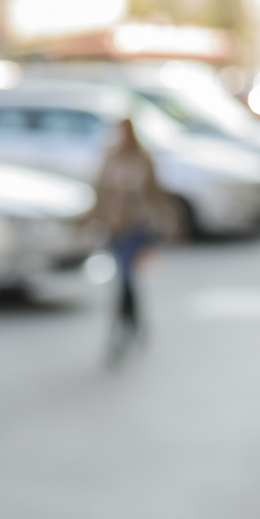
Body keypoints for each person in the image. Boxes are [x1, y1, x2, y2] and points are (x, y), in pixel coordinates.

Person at [92, 118, 174, 363]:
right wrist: (93, 219)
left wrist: (166, 222)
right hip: (116, 228)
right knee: (124, 278)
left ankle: (121, 329)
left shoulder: (143, 159)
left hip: (137, 227)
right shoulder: (111, 158)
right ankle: (133, 325)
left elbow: (154, 193)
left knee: (127, 277)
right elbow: (100, 191)